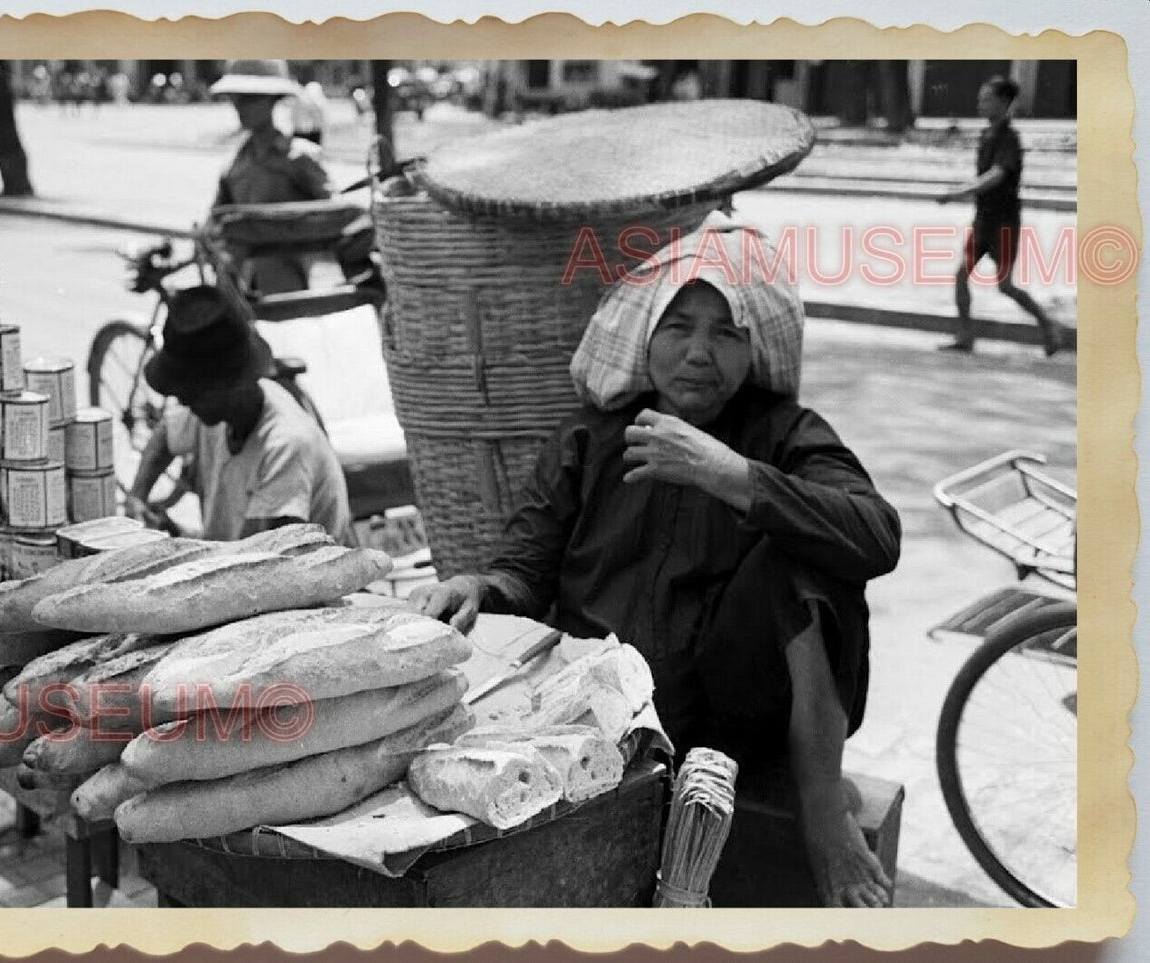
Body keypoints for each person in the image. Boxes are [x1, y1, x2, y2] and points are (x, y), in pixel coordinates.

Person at [410, 221, 901, 908]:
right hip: (604, 708)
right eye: (678, 327)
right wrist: (475, 586)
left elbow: (877, 535)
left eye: (725, 332)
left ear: (752, 346)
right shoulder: (591, 434)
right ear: (645, 335)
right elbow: (525, 573)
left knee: (810, 561)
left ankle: (823, 814)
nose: (698, 353)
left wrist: (732, 475)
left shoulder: (780, 430)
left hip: (733, 720)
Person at [125, 285, 354, 546]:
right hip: (236, 559)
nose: (183, 401)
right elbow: (166, 434)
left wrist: (186, 545)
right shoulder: (208, 409)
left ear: (232, 384)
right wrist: (137, 498)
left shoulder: (285, 445)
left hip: (288, 572)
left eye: (192, 393)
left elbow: (265, 564)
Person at [207, 59, 377, 296]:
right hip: (237, 287)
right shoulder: (235, 165)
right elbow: (214, 223)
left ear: (272, 100)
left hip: (292, 287)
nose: (240, 107)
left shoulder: (300, 158)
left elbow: (339, 215)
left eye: (250, 98)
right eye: (236, 98)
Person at [936, 76, 1066, 357]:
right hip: (983, 221)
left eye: (987, 99)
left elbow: (996, 175)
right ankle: (965, 335)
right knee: (961, 275)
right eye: (980, 98)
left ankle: (1049, 325)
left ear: (1004, 103)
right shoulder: (986, 135)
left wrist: (959, 192)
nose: (980, 104)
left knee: (1005, 285)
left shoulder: (1010, 139)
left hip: (1004, 225)